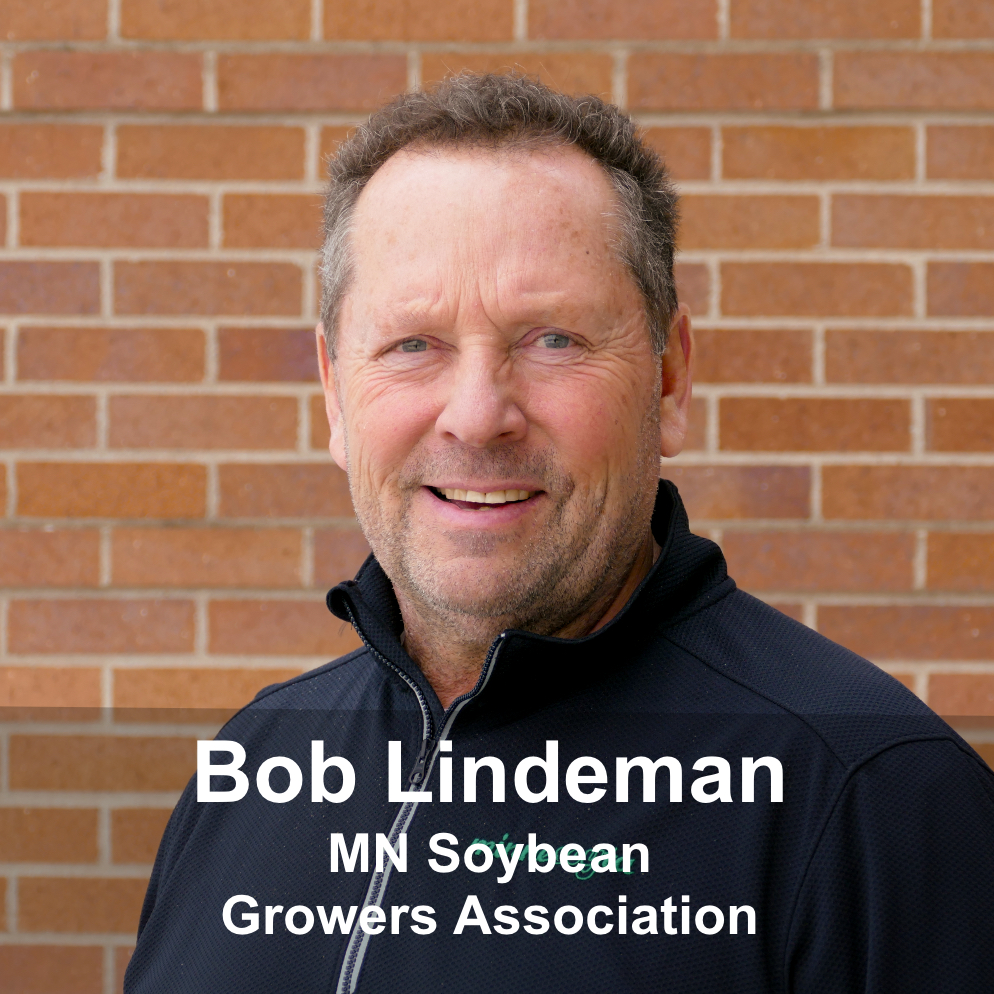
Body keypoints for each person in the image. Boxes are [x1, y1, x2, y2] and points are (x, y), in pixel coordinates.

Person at [125, 74, 994, 994]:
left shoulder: (875, 805)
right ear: (336, 394)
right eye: (413, 343)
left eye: (553, 340)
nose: (476, 415)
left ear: (669, 380)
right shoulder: (258, 765)